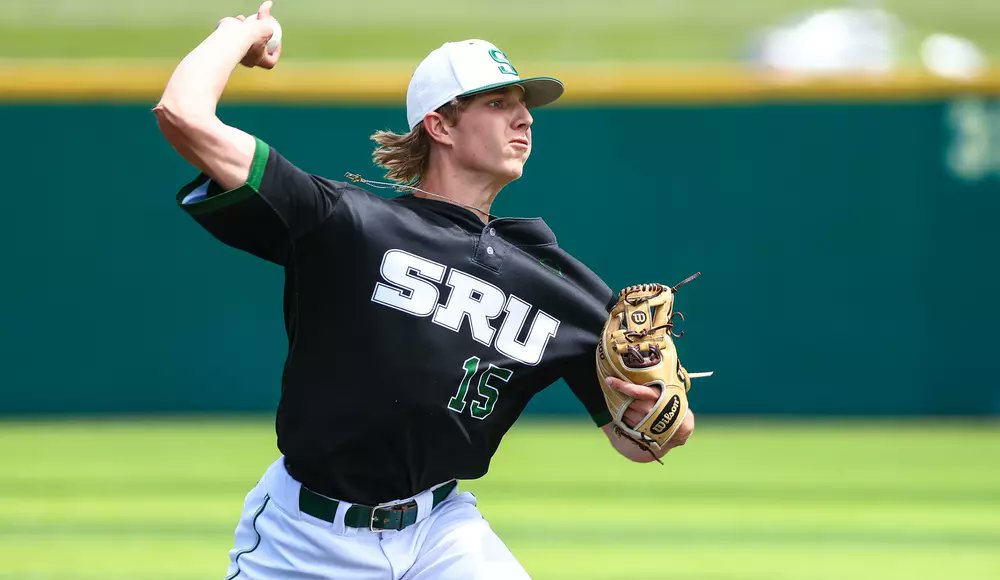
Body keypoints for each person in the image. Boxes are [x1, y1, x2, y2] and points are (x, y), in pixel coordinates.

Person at [154, 2, 695, 578]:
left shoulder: (557, 283)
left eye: (525, 107)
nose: (525, 119)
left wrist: (660, 420)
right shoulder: (348, 224)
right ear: (440, 125)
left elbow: (643, 441)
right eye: (498, 103)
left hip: (442, 533)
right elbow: (183, 114)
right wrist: (240, 34)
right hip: (302, 540)